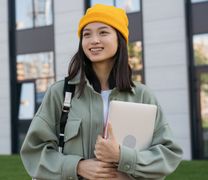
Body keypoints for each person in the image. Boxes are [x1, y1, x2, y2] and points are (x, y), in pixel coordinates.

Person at [20, 4, 183, 180]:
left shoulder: (143, 96)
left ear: (119, 39)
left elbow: (169, 154)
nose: (94, 40)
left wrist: (122, 156)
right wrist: (77, 167)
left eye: (103, 32)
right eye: (86, 34)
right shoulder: (60, 93)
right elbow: (33, 151)